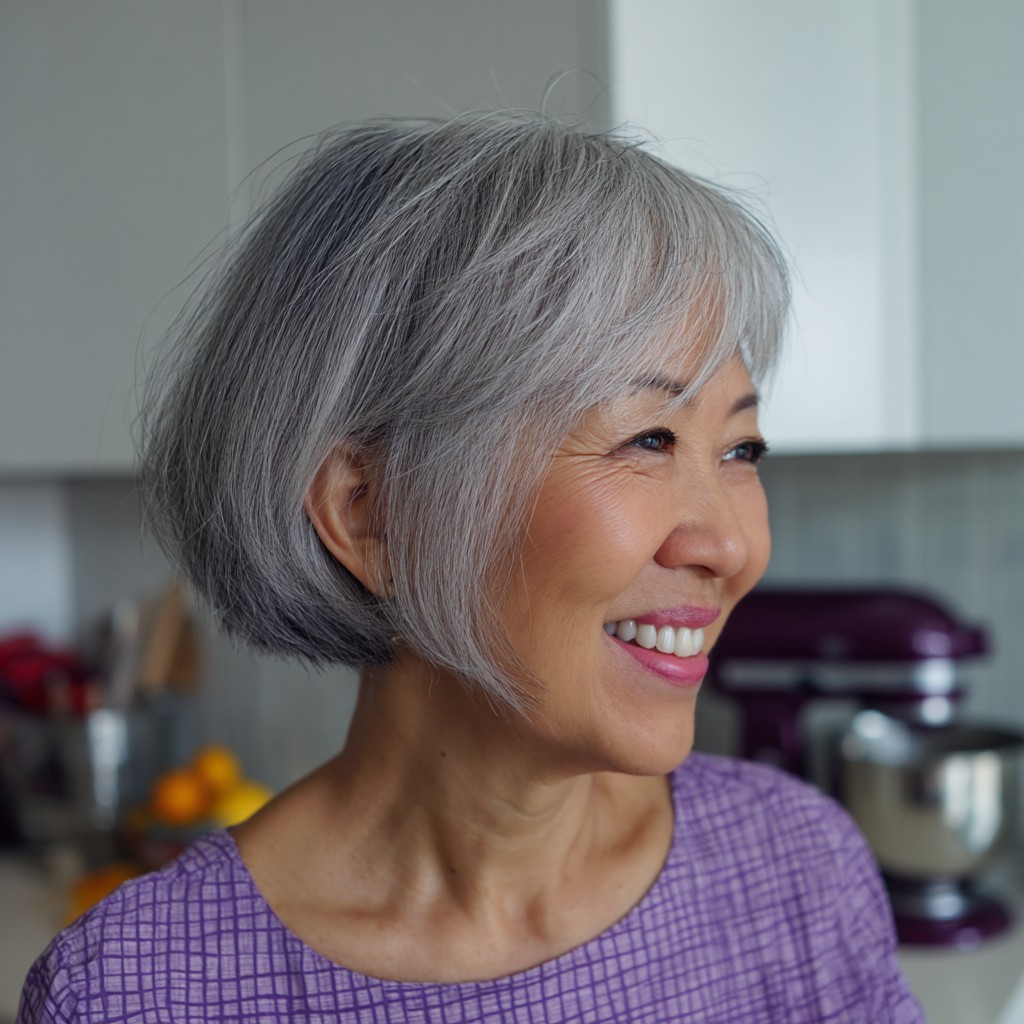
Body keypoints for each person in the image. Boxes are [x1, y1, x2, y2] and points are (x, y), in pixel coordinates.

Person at [18, 112, 924, 1023]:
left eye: (741, 448)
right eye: (648, 438)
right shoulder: (137, 992)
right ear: (370, 513)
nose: (730, 547)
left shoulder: (796, 871)